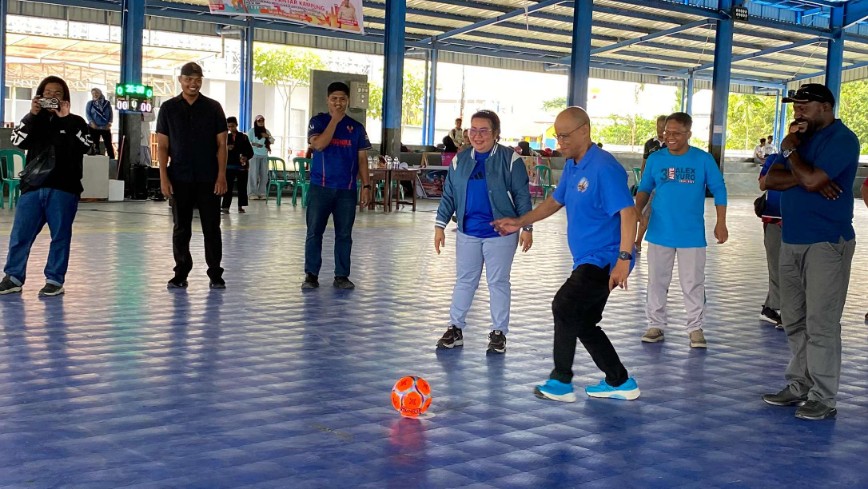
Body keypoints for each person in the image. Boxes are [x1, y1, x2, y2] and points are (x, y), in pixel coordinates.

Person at [493, 107, 640, 402]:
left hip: (605, 259)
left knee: (564, 305)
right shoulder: (574, 165)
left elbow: (629, 212)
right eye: (557, 136)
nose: (560, 142)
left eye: (565, 136)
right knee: (583, 322)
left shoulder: (603, 167)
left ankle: (561, 380)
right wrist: (521, 222)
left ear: (584, 131)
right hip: (587, 258)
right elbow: (555, 201)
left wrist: (624, 259)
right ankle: (619, 381)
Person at [762, 83, 859, 421]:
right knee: (793, 318)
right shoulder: (798, 141)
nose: (798, 110)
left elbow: (814, 177)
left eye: (805, 105)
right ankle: (799, 383)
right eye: (795, 105)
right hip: (791, 240)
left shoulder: (842, 139)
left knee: (822, 323)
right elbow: (768, 181)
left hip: (826, 242)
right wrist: (802, 175)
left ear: (826, 107)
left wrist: (793, 160)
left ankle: (823, 397)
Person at [433, 110, 533, 354]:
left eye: (484, 130)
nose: (477, 135)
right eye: (473, 130)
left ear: (496, 134)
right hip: (468, 232)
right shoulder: (461, 159)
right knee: (465, 281)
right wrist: (440, 225)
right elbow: (449, 195)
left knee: (498, 282)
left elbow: (522, 195)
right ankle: (455, 328)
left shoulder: (510, 160)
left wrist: (526, 227)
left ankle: (499, 333)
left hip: (501, 233)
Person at [635, 112, 728, 349]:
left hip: (692, 234)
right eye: (667, 132)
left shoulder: (703, 159)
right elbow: (645, 186)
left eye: (676, 133)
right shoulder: (656, 159)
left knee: (693, 282)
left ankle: (695, 328)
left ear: (689, 134)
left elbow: (719, 189)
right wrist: (636, 209)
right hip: (659, 232)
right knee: (656, 280)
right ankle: (655, 325)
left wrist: (721, 222)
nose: (670, 137)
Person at [0, 76, 90, 297]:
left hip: (64, 188)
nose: (52, 97)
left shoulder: (76, 122)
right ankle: (13, 277)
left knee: (60, 236)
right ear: (40, 96)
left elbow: (86, 146)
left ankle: (54, 280)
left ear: (66, 98)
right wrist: (32, 114)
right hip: (32, 188)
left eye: (57, 94)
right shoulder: (33, 120)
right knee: (20, 234)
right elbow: (17, 140)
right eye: (47, 93)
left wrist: (65, 119)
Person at [156, 61, 228, 289]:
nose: (193, 84)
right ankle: (181, 273)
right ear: (180, 80)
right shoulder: (168, 108)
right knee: (181, 228)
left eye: (197, 80)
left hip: (209, 178)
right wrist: (164, 177)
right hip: (180, 178)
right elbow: (162, 146)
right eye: (188, 79)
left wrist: (222, 176)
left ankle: (215, 273)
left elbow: (222, 145)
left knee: (212, 227)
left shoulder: (213, 107)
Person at [303, 81, 372, 290]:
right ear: (328, 100)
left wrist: (366, 187)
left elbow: (362, 160)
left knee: (344, 234)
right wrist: (334, 121)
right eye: (334, 99)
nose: (338, 102)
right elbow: (319, 145)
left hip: (346, 190)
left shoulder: (357, 128)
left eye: (342, 99)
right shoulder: (318, 122)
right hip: (320, 188)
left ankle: (341, 275)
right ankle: (311, 275)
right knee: (314, 232)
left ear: (348, 100)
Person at [758, 151, 784, 328]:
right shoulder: (775, 159)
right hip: (775, 219)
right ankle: (780, 310)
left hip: (802, 220)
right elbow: (762, 184)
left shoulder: (812, 157)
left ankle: (771, 308)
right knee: (777, 267)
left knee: (794, 268)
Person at [635, 115, 668, 253]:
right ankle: (637, 242)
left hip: (666, 186)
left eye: (663, 127)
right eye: (658, 127)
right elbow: (644, 163)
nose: (660, 130)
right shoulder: (649, 144)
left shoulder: (671, 144)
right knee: (644, 213)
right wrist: (643, 181)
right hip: (651, 185)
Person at [222, 116, 254, 214]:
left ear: (236, 125)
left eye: (232, 126)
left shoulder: (244, 137)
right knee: (228, 187)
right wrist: (227, 148)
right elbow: (219, 151)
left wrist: (245, 157)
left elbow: (250, 152)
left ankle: (240, 206)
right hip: (229, 166)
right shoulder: (225, 138)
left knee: (242, 186)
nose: (231, 129)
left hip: (242, 166)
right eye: (229, 127)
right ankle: (225, 206)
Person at [247, 115, 273, 200]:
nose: (261, 122)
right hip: (254, 155)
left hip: (264, 155)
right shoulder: (251, 131)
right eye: (259, 121)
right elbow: (247, 142)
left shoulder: (266, 131)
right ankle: (252, 193)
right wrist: (254, 144)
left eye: (262, 120)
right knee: (253, 174)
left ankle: (262, 192)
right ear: (256, 122)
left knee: (264, 175)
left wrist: (267, 136)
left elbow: (272, 141)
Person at [85, 88, 114, 159]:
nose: (95, 95)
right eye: (93, 93)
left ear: (100, 93)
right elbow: (87, 114)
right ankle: (96, 160)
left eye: (97, 93)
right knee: (95, 145)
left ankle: (112, 160)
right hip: (94, 127)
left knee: (108, 145)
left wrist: (110, 123)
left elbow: (111, 113)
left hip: (105, 127)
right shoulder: (90, 103)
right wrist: (91, 122)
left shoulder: (107, 103)